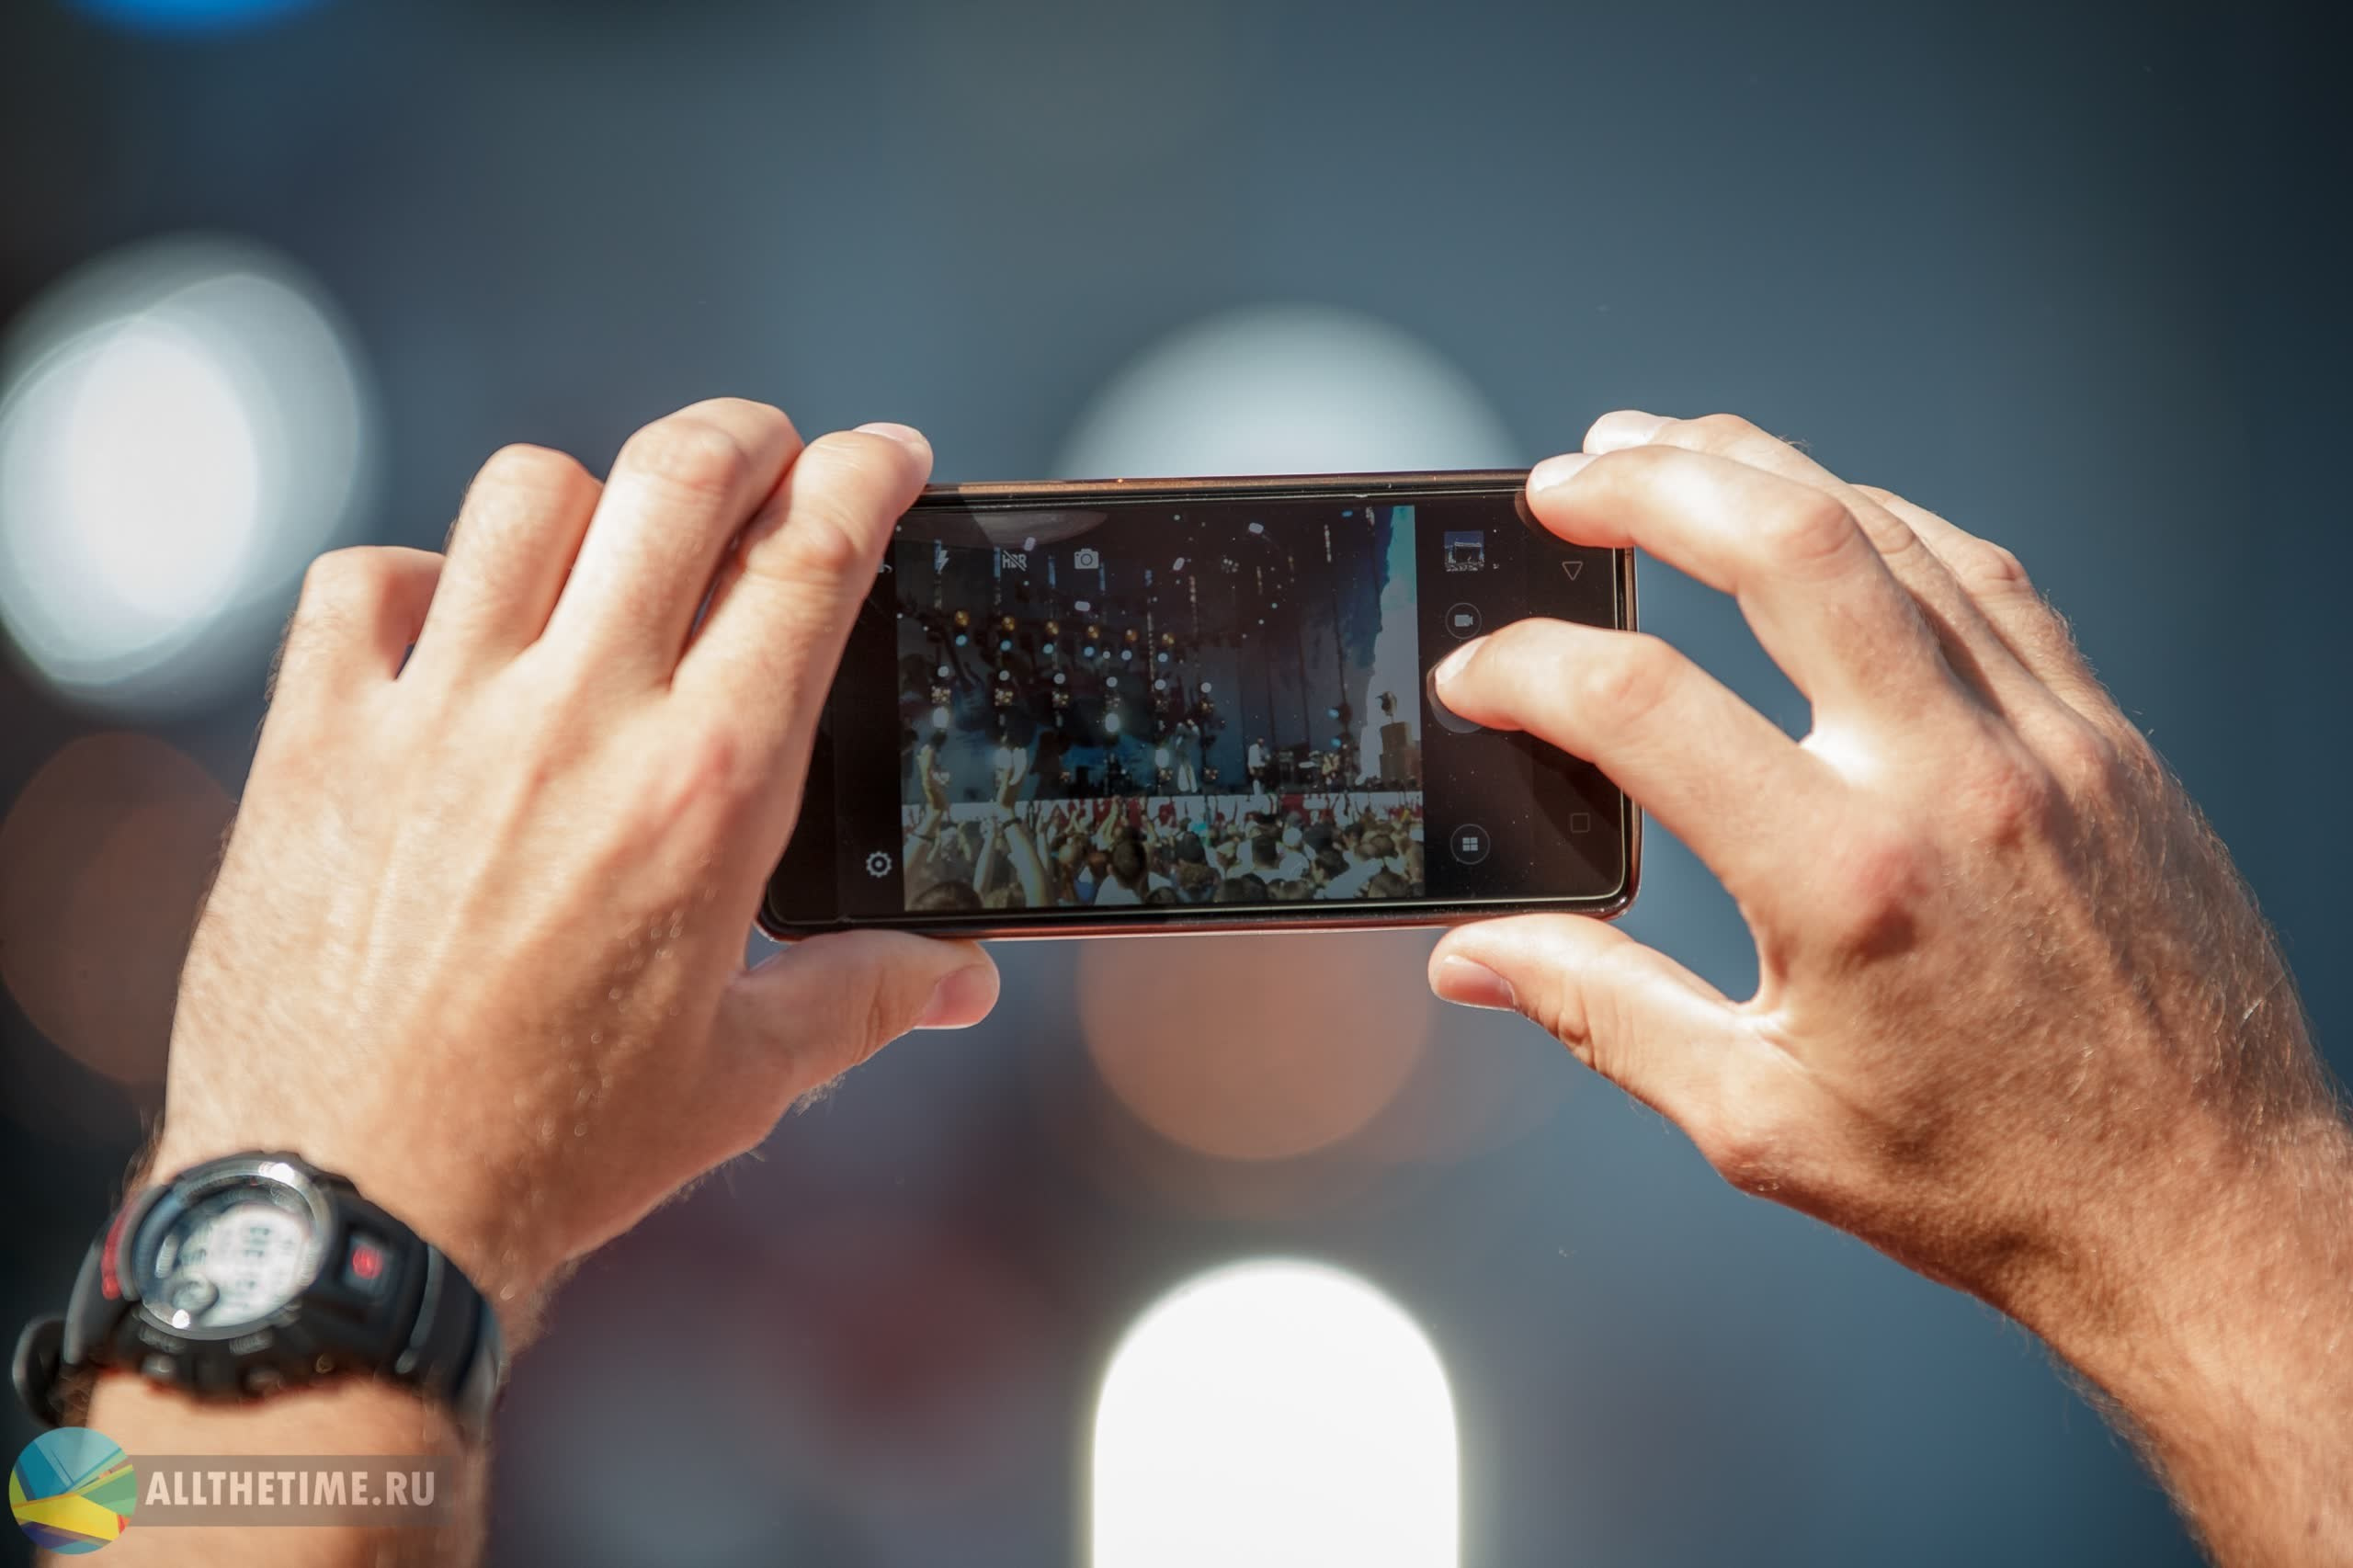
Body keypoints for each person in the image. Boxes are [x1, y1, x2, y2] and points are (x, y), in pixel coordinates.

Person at [38, 402, 2349, 1567]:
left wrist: (317, 1202)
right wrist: (2194, 1212)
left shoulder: (1595, 1388)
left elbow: (119, 1512)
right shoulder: (878, 1259)